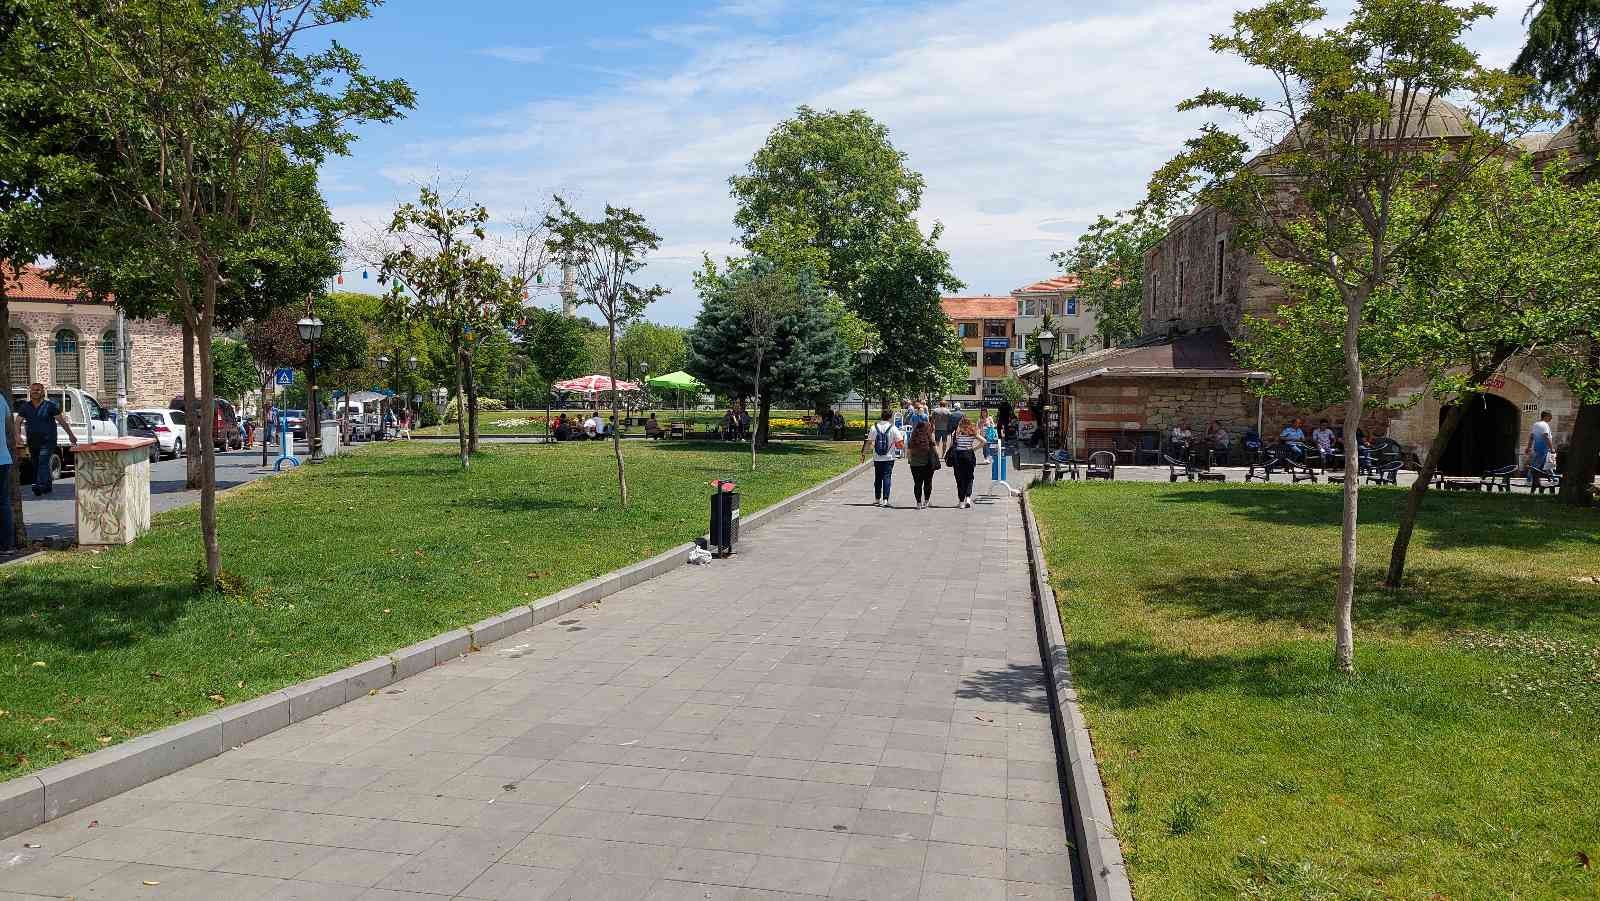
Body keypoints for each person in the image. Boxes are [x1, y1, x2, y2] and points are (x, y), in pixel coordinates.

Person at [17, 384, 77, 496]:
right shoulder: (25, 407)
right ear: (30, 392)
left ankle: (39, 485)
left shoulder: (50, 406)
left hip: (48, 441)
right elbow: (18, 421)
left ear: (42, 392)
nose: (35, 392)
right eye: (33, 390)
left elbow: (61, 421)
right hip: (32, 441)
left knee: (43, 461)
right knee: (35, 463)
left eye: (38, 390)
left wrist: (70, 435)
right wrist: (17, 435)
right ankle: (47, 485)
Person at [861, 409, 905, 507]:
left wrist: (863, 454)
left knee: (878, 477)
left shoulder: (874, 427)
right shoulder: (893, 428)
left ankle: (877, 499)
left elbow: (868, 442)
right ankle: (885, 499)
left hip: (877, 457)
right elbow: (900, 444)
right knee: (887, 477)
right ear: (890, 417)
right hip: (889, 457)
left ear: (881, 416)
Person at [950, 417, 985, 508]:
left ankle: (961, 501)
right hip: (969, 455)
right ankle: (968, 498)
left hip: (958, 456)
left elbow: (952, 444)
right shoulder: (972, 433)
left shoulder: (957, 433)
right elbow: (984, 441)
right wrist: (974, 449)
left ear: (961, 424)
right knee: (969, 477)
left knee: (959, 479)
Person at [905, 421, 938, 509]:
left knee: (917, 483)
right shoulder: (929, 436)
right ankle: (926, 501)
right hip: (928, 463)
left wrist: (910, 460)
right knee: (928, 482)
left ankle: (918, 503)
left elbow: (908, 451)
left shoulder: (913, 437)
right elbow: (935, 449)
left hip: (915, 464)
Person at [1, 389, 14, 553]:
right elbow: (8, 422)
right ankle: (6, 545)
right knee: (3, 502)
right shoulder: (1, 399)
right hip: (3, 458)